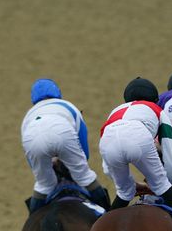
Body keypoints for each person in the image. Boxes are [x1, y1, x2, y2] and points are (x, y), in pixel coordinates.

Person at [99, 77, 172, 231]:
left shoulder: (115, 111)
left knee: (124, 193)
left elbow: (107, 168)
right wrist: (167, 184)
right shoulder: (158, 110)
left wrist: (131, 186)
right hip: (138, 137)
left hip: (108, 141)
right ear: (155, 100)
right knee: (162, 185)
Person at [21, 78, 110, 213]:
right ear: (58, 93)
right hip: (62, 131)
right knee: (85, 177)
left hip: (32, 137)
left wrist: (45, 170)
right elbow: (84, 149)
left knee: (43, 185)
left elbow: (30, 158)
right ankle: (107, 215)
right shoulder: (68, 106)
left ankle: (32, 222)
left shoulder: (28, 116)